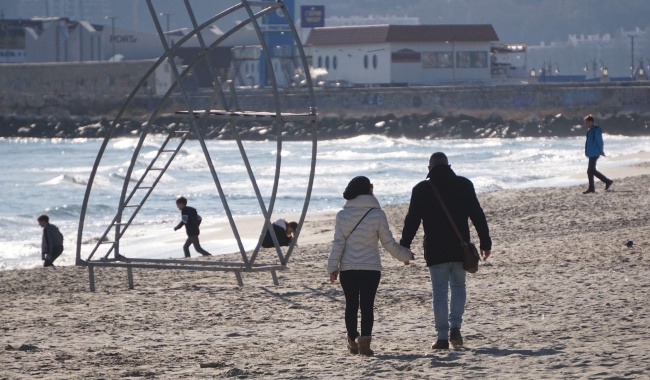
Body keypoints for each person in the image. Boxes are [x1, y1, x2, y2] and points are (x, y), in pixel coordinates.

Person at [400, 152, 492, 350]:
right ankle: (455, 327)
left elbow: (412, 221)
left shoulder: (421, 189)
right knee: (458, 286)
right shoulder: (464, 185)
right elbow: (477, 214)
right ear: (449, 166)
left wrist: (404, 247)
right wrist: (486, 242)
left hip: (435, 249)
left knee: (439, 292)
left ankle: (442, 337)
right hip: (460, 248)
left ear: (429, 169)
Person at [327, 176, 413, 356]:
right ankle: (365, 343)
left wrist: (332, 267)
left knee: (351, 305)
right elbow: (388, 243)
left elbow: (338, 243)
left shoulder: (342, 215)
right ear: (368, 190)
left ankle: (352, 341)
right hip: (371, 269)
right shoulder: (377, 214)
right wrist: (404, 256)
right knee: (367, 305)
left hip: (348, 269)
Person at [583, 114, 613, 194]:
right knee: (591, 170)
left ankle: (595, 186)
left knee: (590, 170)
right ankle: (605, 182)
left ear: (591, 122)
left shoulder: (596, 130)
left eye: (587, 123)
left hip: (595, 153)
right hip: (591, 153)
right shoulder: (590, 131)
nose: (586, 124)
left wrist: (601, 151)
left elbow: (600, 141)